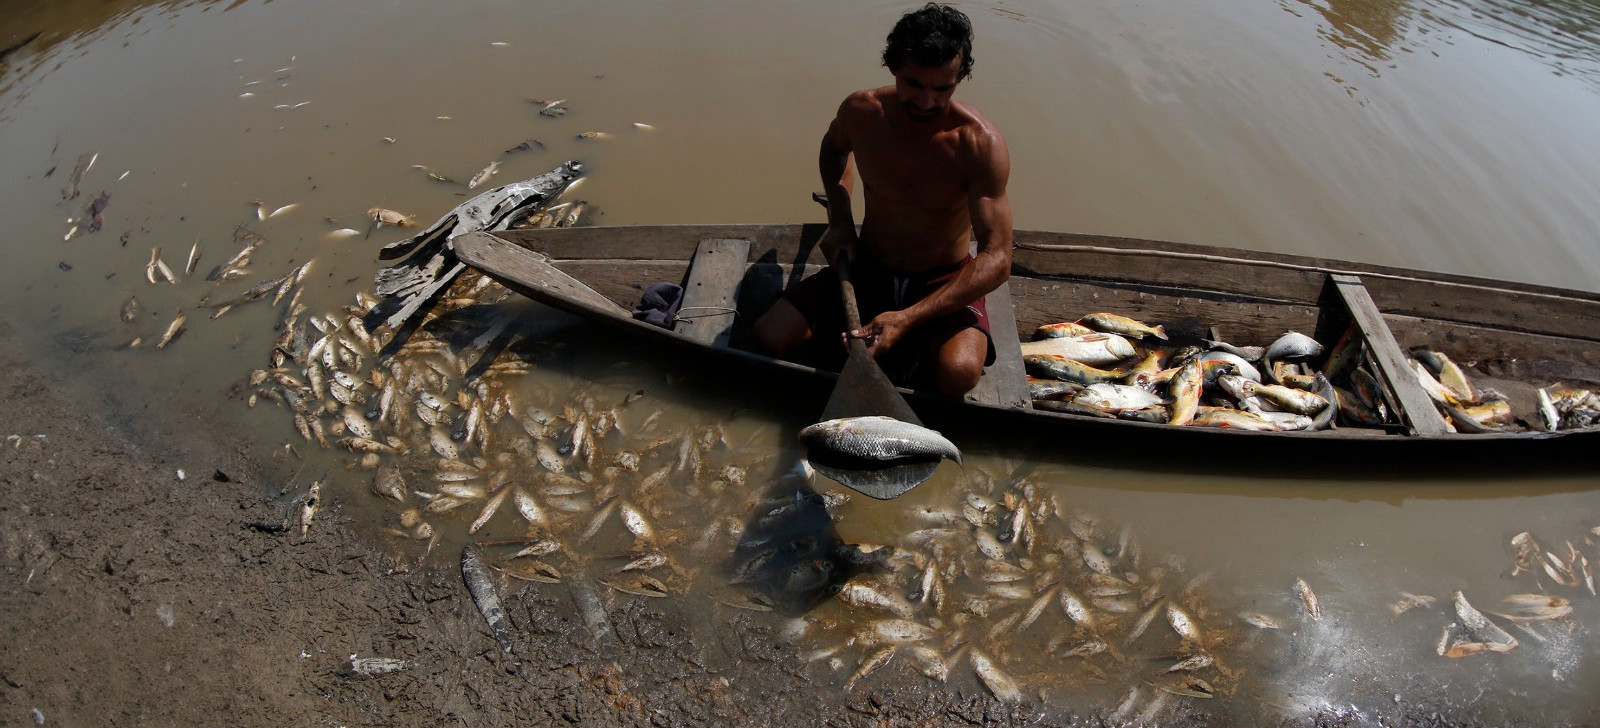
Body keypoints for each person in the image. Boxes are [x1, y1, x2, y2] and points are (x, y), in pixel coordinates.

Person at [753, 2, 1013, 397]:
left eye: (942, 88)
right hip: (867, 264)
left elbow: (997, 259)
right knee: (769, 337)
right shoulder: (862, 112)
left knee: (958, 374)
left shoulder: (978, 144)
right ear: (893, 67)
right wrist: (840, 220)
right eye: (914, 84)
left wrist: (908, 318)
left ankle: (904, 348)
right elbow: (833, 148)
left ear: (962, 76)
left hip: (941, 280)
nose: (926, 102)